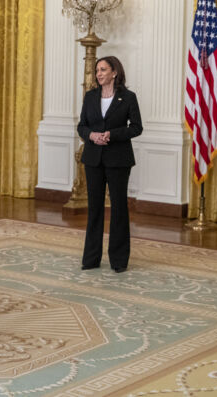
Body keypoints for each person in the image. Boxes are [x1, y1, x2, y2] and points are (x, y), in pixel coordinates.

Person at [77, 56, 143, 273]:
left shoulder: (129, 97)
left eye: (103, 69)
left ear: (115, 72)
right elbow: (82, 126)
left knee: (118, 208)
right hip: (93, 158)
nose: (98, 74)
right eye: (97, 70)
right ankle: (91, 258)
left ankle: (119, 260)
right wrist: (92, 135)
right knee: (94, 208)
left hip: (118, 160)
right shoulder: (90, 96)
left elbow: (136, 128)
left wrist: (111, 135)